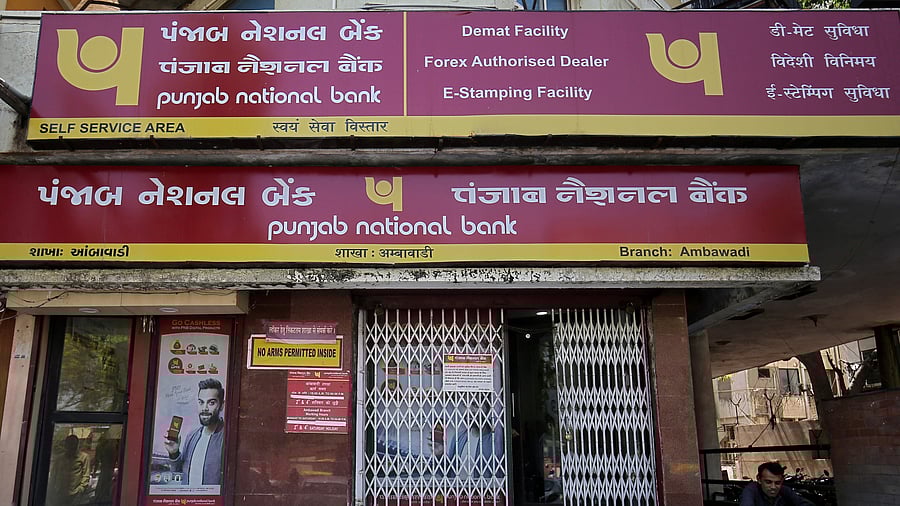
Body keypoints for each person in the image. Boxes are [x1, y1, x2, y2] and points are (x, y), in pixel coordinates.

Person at [164, 378, 225, 486]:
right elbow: (179, 473)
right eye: (201, 402)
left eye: (211, 403)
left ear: (222, 405)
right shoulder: (192, 436)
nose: (204, 408)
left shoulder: (227, 437)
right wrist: (174, 453)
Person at [740, 462, 813, 506]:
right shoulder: (751, 490)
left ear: (782, 481)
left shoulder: (784, 490)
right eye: (768, 482)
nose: (773, 487)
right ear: (759, 479)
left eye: (777, 483)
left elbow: (805, 503)